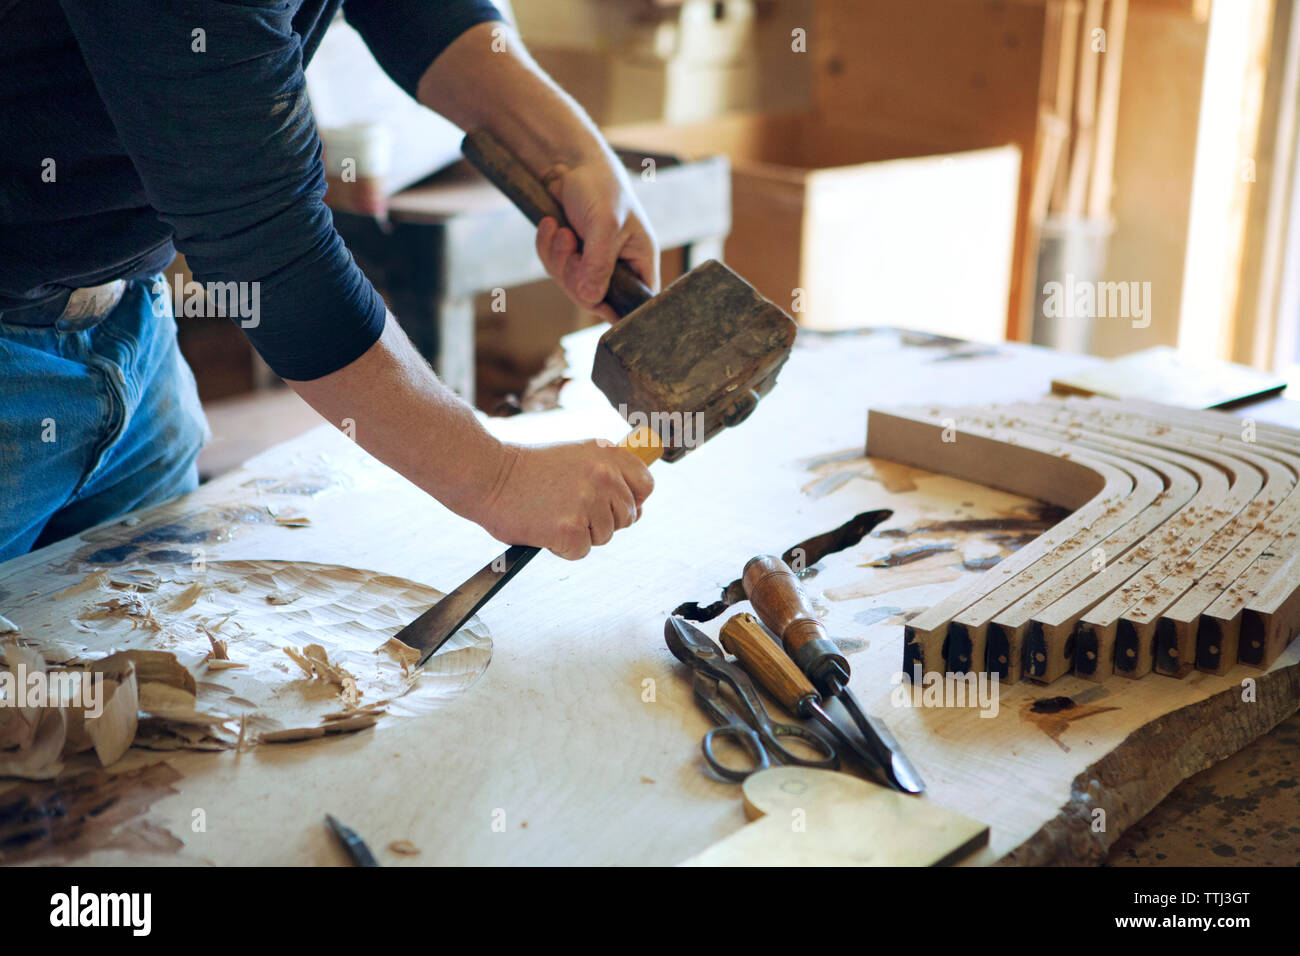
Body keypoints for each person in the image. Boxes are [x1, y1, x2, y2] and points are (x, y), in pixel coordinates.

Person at [0, 1, 658, 563]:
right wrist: (495, 478)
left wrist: (569, 149)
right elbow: (264, 243)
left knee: (145, 680)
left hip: (128, 318)